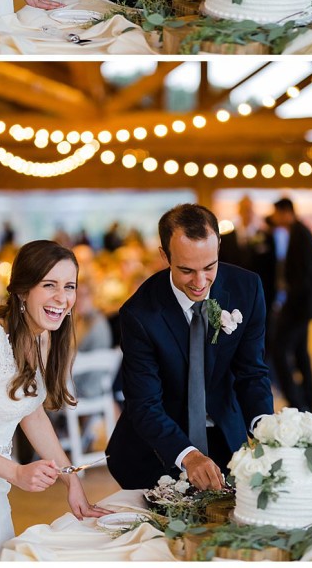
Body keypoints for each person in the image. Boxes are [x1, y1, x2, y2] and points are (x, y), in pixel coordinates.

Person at [105, 204, 273, 491]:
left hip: (226, 438)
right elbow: (144, 404)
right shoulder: (139, 314)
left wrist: (266, 430)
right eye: (186, 270)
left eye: (210, 267)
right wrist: (189, 456)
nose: (200, 282)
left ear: (218, 245)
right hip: (156, 450)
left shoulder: (247, 288)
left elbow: (251, 373)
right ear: (164, 256)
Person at [0, 241, 110, 558]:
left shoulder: (34, 338)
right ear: (22, 290)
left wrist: (72, 481)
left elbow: (33, 414)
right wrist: (16, 472)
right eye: (49, 285)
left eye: (69, 286)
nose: (63, 297)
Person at [270, 199, 312, 414]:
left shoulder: (299, 234)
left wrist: (288, 300)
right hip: (301, 305)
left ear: (285, 212)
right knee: (301, 353)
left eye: (277, 214)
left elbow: (304, 274)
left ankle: (296, 400)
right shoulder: (297, 231)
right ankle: (306, 403)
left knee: (280, 350)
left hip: (298, 306)